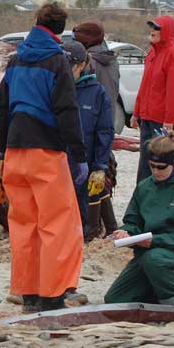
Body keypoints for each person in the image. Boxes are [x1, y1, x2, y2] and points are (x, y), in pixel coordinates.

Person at [0, 2, 86, 312]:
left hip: (16, 152)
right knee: (56, 223)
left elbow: (0, 106)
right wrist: (78, 153)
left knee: (23, 225)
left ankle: (27, 291)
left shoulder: (16, 61)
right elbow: (67, 110)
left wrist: (3, 149)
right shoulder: (58, 62)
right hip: (46, 152)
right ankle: (52, 294)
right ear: (61, 29)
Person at [104, 131, 174, 305]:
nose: (156, 171)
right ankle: (156, 292)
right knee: (115, 299)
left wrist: (155, 241)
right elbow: (133, 221)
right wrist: (125, 232)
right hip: (149, 253)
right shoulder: (145, 187)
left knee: (154, 259)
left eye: (161, 167)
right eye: (152, 166)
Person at [61, 41, 114, 242]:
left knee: (82, 216)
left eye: (71, 66)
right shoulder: (56, 88)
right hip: (57, 163)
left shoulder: (96, 93)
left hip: (85, 163)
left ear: (82, 65)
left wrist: (100, 166)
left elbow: (105, 131)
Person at [73, 21, 121, 237]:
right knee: (100, 176)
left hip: (93, 121)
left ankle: (92, 227)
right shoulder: (111, 60)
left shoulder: (90, 62)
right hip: (105, 120)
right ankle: (110, 227)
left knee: (93, 177)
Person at [131, 16, 174, 183]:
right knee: (145, 164)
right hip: (148, 118)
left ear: (167, 32)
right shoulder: (152, 54)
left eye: (157, 28)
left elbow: (173, 91)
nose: (153, 31)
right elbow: (145, 85)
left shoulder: (173, 55)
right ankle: (144, 200)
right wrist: (136, 112)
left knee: (161, 165)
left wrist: (169, 120)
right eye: (152, 27)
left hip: (163, 121)